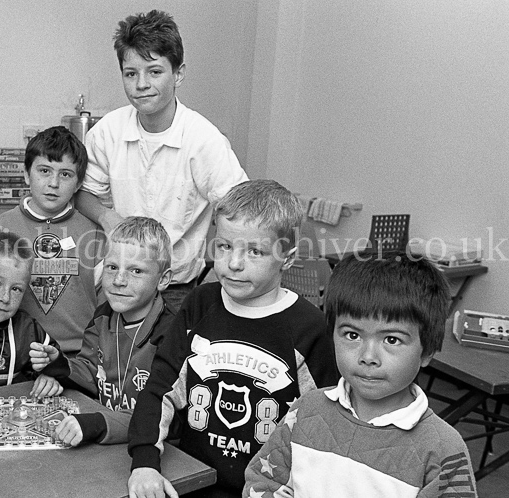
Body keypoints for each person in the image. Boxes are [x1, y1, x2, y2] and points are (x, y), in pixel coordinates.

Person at [127, 179, 339, 498]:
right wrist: (144, 462)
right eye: (225, 246)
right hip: (194, 479)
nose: (234, 263)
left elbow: (326, 423)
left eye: (254, 251)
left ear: (288, 258)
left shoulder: (309, 327)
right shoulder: (199, 304)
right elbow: (161, 387)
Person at [243, 252, 478, 498]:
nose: (368, 356)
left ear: (427, 351)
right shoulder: (305, 411)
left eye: (391, 339)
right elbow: (262, 481)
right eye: (352, 335)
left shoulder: (443, 448)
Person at [75, 9, 248, 312]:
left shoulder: (204, 140)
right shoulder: (107, 132)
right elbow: (83, 193)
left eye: (154, 71)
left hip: (177, 288)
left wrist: (219, 275)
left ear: (178, 73)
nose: (141, 84)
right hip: (118, 279)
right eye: (131, 73)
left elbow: (241, 211)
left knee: (166, 359)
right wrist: (107, 217)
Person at [35, 216, 176, 446]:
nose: (119, 280)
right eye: (112, 267)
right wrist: (60, 366)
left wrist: (97, 424)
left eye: (136, 271)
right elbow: (91, 371)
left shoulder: (171, 334)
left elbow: (162, 417)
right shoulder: (103, 317)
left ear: (163, 279)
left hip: (152, 450)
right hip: (108, 444)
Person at [0, 126, 104, 356]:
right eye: (44, 171)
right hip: (12, 352)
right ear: (26, 175)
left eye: (65, 174)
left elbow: (105, 308)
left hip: (77, 356)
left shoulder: (95, 234)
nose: (53, 183)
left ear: (79, 184)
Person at [0, 231, 66, 397]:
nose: (5, 298)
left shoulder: (27, 330)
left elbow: (55, 364)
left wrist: (50, 375)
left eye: (16, 289)